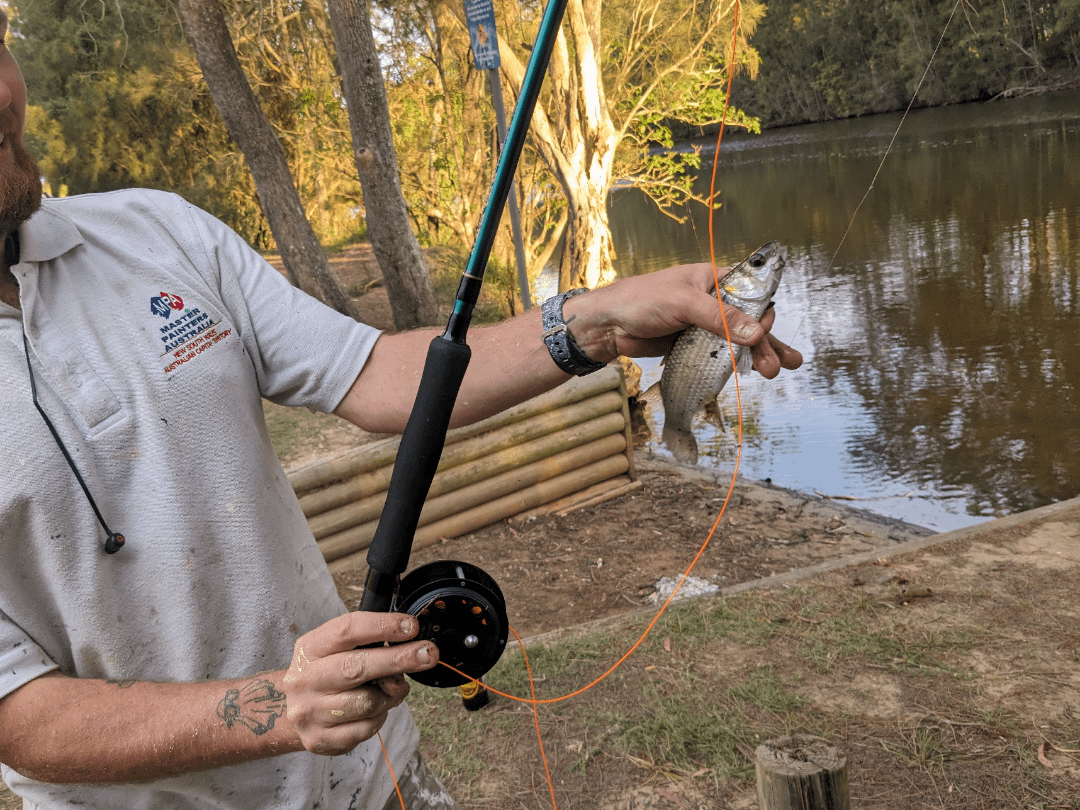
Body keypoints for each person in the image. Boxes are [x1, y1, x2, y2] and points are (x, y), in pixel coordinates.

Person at [0, 8, 802, 809]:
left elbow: (377, 374)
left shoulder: (155, 230)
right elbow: (15, 717)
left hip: (375, 773)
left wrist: (596, 322)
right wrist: (282, 709)